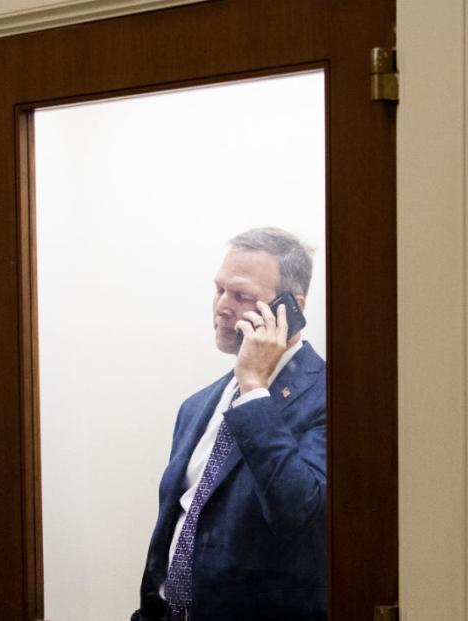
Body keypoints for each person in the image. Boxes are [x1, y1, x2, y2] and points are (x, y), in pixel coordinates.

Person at [133, 227, 327, 621]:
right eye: (219, 290)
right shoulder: (197, 405)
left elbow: (297, 512)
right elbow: (179, 523)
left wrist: (254, 387)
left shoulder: (331, 397)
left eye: (241, 296)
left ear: (292, 309)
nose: (222, 306)